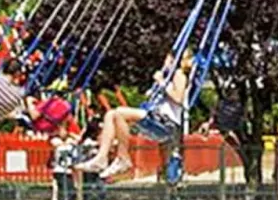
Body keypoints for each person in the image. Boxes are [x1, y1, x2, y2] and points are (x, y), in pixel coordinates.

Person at [78, 51, 192, 180]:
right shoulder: (169, 77)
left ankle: (123, 158)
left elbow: (178, 98)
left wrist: (161, 82)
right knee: (110, 115)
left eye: (166, 59)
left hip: (167, 123)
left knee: (120, 113)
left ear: (173, 60)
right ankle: (102, 157)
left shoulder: (178, 75)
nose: (164, 62)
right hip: (155, 118)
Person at [50, 132, 78, 200]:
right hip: (60, 170)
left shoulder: (70, 146)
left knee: (70, 192)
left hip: (68, 171)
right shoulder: (58, 145)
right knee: (62, 192)